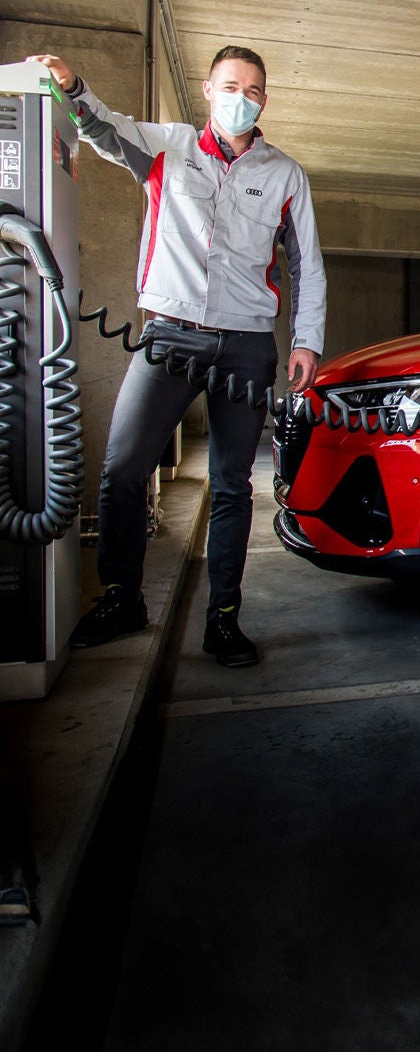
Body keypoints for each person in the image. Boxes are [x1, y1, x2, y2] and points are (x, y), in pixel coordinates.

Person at [27, 47, 326, 668]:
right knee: (124, 467)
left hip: (246, 346)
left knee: (232, 485)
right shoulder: (168, 146)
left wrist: (306, 339)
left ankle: (223, 617)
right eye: (229, 85)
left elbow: (307, 265)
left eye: (252, 88)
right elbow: (104, 129)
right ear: (209, 90)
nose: (240, 96)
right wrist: (73, 86)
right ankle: (121, 597)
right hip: (169, 338)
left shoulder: (284, 174)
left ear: (264, 99)